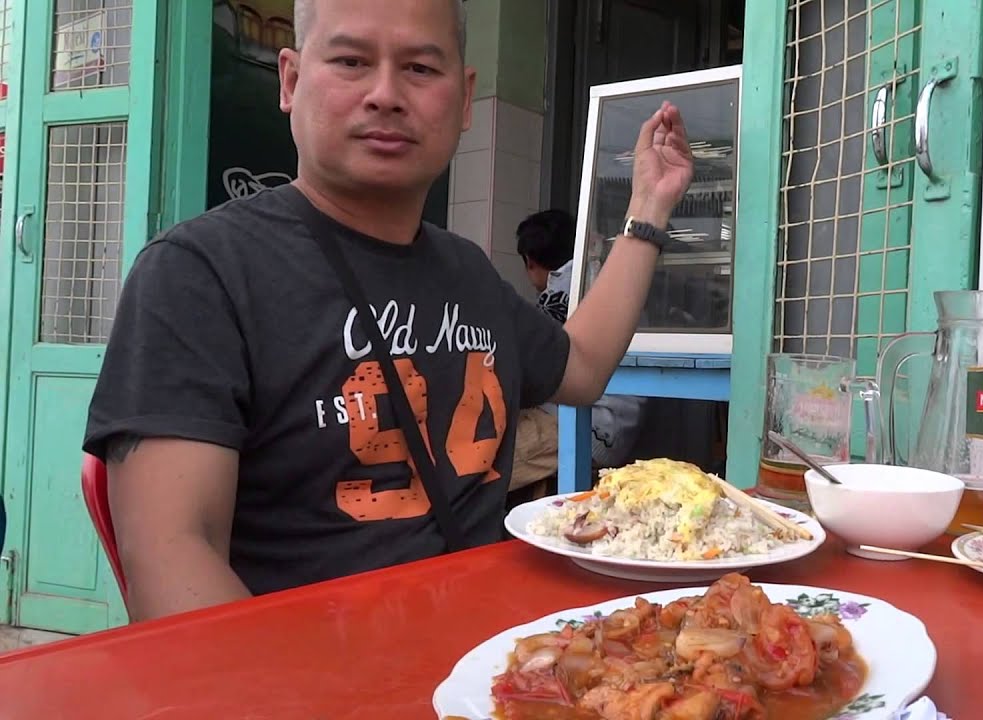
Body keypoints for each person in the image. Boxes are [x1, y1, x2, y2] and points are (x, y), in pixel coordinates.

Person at [81, 0, 693, 622]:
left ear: (463, 101)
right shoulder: (198, 274)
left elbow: (583, 369)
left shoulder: (469, 273)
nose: (385, 94)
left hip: (482, 661)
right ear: (290, 81)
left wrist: (648, 207)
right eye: (351, 61)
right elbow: (172, 552)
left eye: (421, 69)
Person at [514, 209, 647, 474]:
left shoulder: (561, 297)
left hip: (589, 425)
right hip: (613, 421)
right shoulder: (603, 281)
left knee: (477, 463)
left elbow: (530, 366)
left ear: (530, 262)